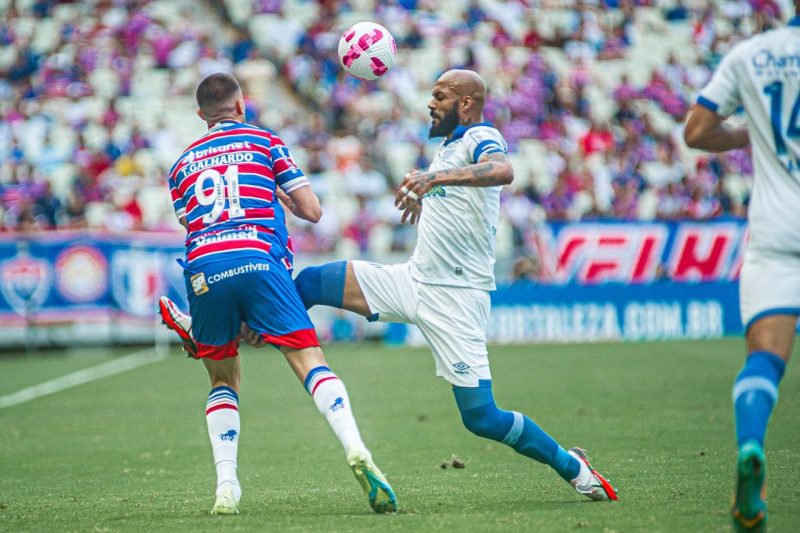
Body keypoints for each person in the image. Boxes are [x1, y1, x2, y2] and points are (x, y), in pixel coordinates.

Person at [163, 69, 617, 503]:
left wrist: (431, 179)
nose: (429, 103)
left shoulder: (480, 136)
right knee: (308, 282)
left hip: (457, 299)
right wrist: (428, 196)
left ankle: (574, 468)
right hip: (413, 278)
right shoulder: (446, 150)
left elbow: (502, 170)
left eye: (439, 96)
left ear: (466, 103)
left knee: (483, 417)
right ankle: (226, 330)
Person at [161, 72, 396, 516]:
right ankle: (356, 446)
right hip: (258, 258)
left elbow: (194, 226)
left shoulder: (179, 166)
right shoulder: (265, 142)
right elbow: (312, 209)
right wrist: (278, 196)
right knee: (310, 362)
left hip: (204, 268)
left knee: (223, 379)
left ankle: (227, 485)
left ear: (200, 116)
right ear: (241, 105)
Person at [684, 8, 800, 530]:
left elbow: (697, 130)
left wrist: (749, 135)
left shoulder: (752, 54)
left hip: (777, 230)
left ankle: (752, 445)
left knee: (765, 359)